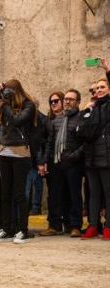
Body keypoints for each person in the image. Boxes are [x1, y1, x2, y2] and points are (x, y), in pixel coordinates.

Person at [0, 79, 36, 244]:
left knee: (19, 194)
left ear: (16, 90)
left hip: (21, 153)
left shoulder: (28, 105)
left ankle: (23, 230)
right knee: (4, 194)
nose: (5, 93)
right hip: (4, 152)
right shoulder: (4, 105)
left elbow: (16, 120)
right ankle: (7, 228)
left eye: (8, 90)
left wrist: (4, 104)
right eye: (4, 90)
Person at [39, 89, 84, 237]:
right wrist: (45, 161)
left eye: (71, 99)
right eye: (66, 99)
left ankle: (75, 226)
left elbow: (85, 143)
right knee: (54, 196)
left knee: (74, 195)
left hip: (73, 164)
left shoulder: (81, 119)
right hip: (56, 163)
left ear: (78, 102)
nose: (67, 102)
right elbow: (50, 144)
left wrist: (73, 156)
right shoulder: (56, 120)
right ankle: (54, 225)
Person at [82, 72, 110, 240]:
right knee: (93, 193)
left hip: (106, 156)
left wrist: (108, 71)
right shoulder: (91, 108)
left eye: (102, 87)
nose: (98, 90)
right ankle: (93, 225)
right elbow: (82, 132)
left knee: (108, 192)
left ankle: (108, 227)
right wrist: (86, 111)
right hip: (91, 158)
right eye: (97, 88)